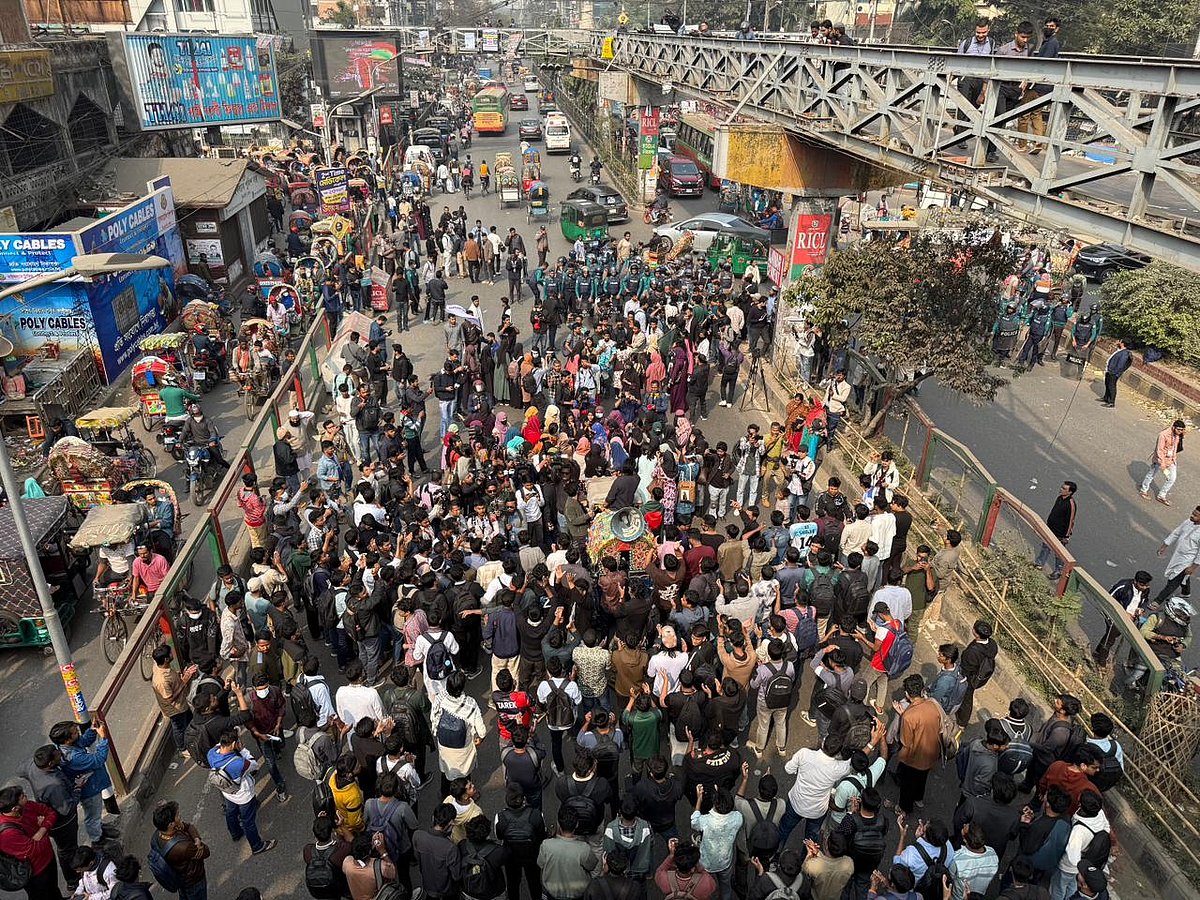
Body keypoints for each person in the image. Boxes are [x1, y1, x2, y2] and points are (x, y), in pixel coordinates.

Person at [205, 728, 276, 856]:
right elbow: (254, 765)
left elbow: (218, 746)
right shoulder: (238, 763)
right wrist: (243, 750)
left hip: (227, 792)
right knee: (248, 821)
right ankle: (257, 846)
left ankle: (235, 833)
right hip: (243, 795)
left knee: (230, 812)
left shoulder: (211, 754)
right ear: (233, 744)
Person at [0, 784, 63, 900]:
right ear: (14, 809)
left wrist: (41, 830)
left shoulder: (26, 806)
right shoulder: (7, 833)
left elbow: (50, 813)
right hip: (36, 872)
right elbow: (34, 850)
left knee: (54, 889)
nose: (26, 797)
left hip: (48, 858)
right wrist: (44, 830)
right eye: (23, 797)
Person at [1140, 419, 1185, 505]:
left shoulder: (1178, 435)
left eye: (1182, 430)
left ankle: (1161, 495)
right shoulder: (1163, 435)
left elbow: (1176, 448)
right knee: (1151, 474)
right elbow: (1159, 450)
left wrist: (1173, 459)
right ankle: (1143, 490)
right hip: (1160, 460)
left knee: (1172, 478)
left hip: (1171, 460)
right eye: (1179, 429)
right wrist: (1162, 464)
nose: (1180, 431)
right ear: (1173, 427)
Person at [1099, 338, 1132, 408]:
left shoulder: (1124, 353)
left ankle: (1111, 401)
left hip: (1114, 372)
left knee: (1112, 386)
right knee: (1107, 383)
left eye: (1120, 341)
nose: (1118, 341)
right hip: (1110, 370)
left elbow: (1120, 365)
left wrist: (1114, 372)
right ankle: (1106, 397)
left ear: (1122, 343)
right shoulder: (1119, 350)